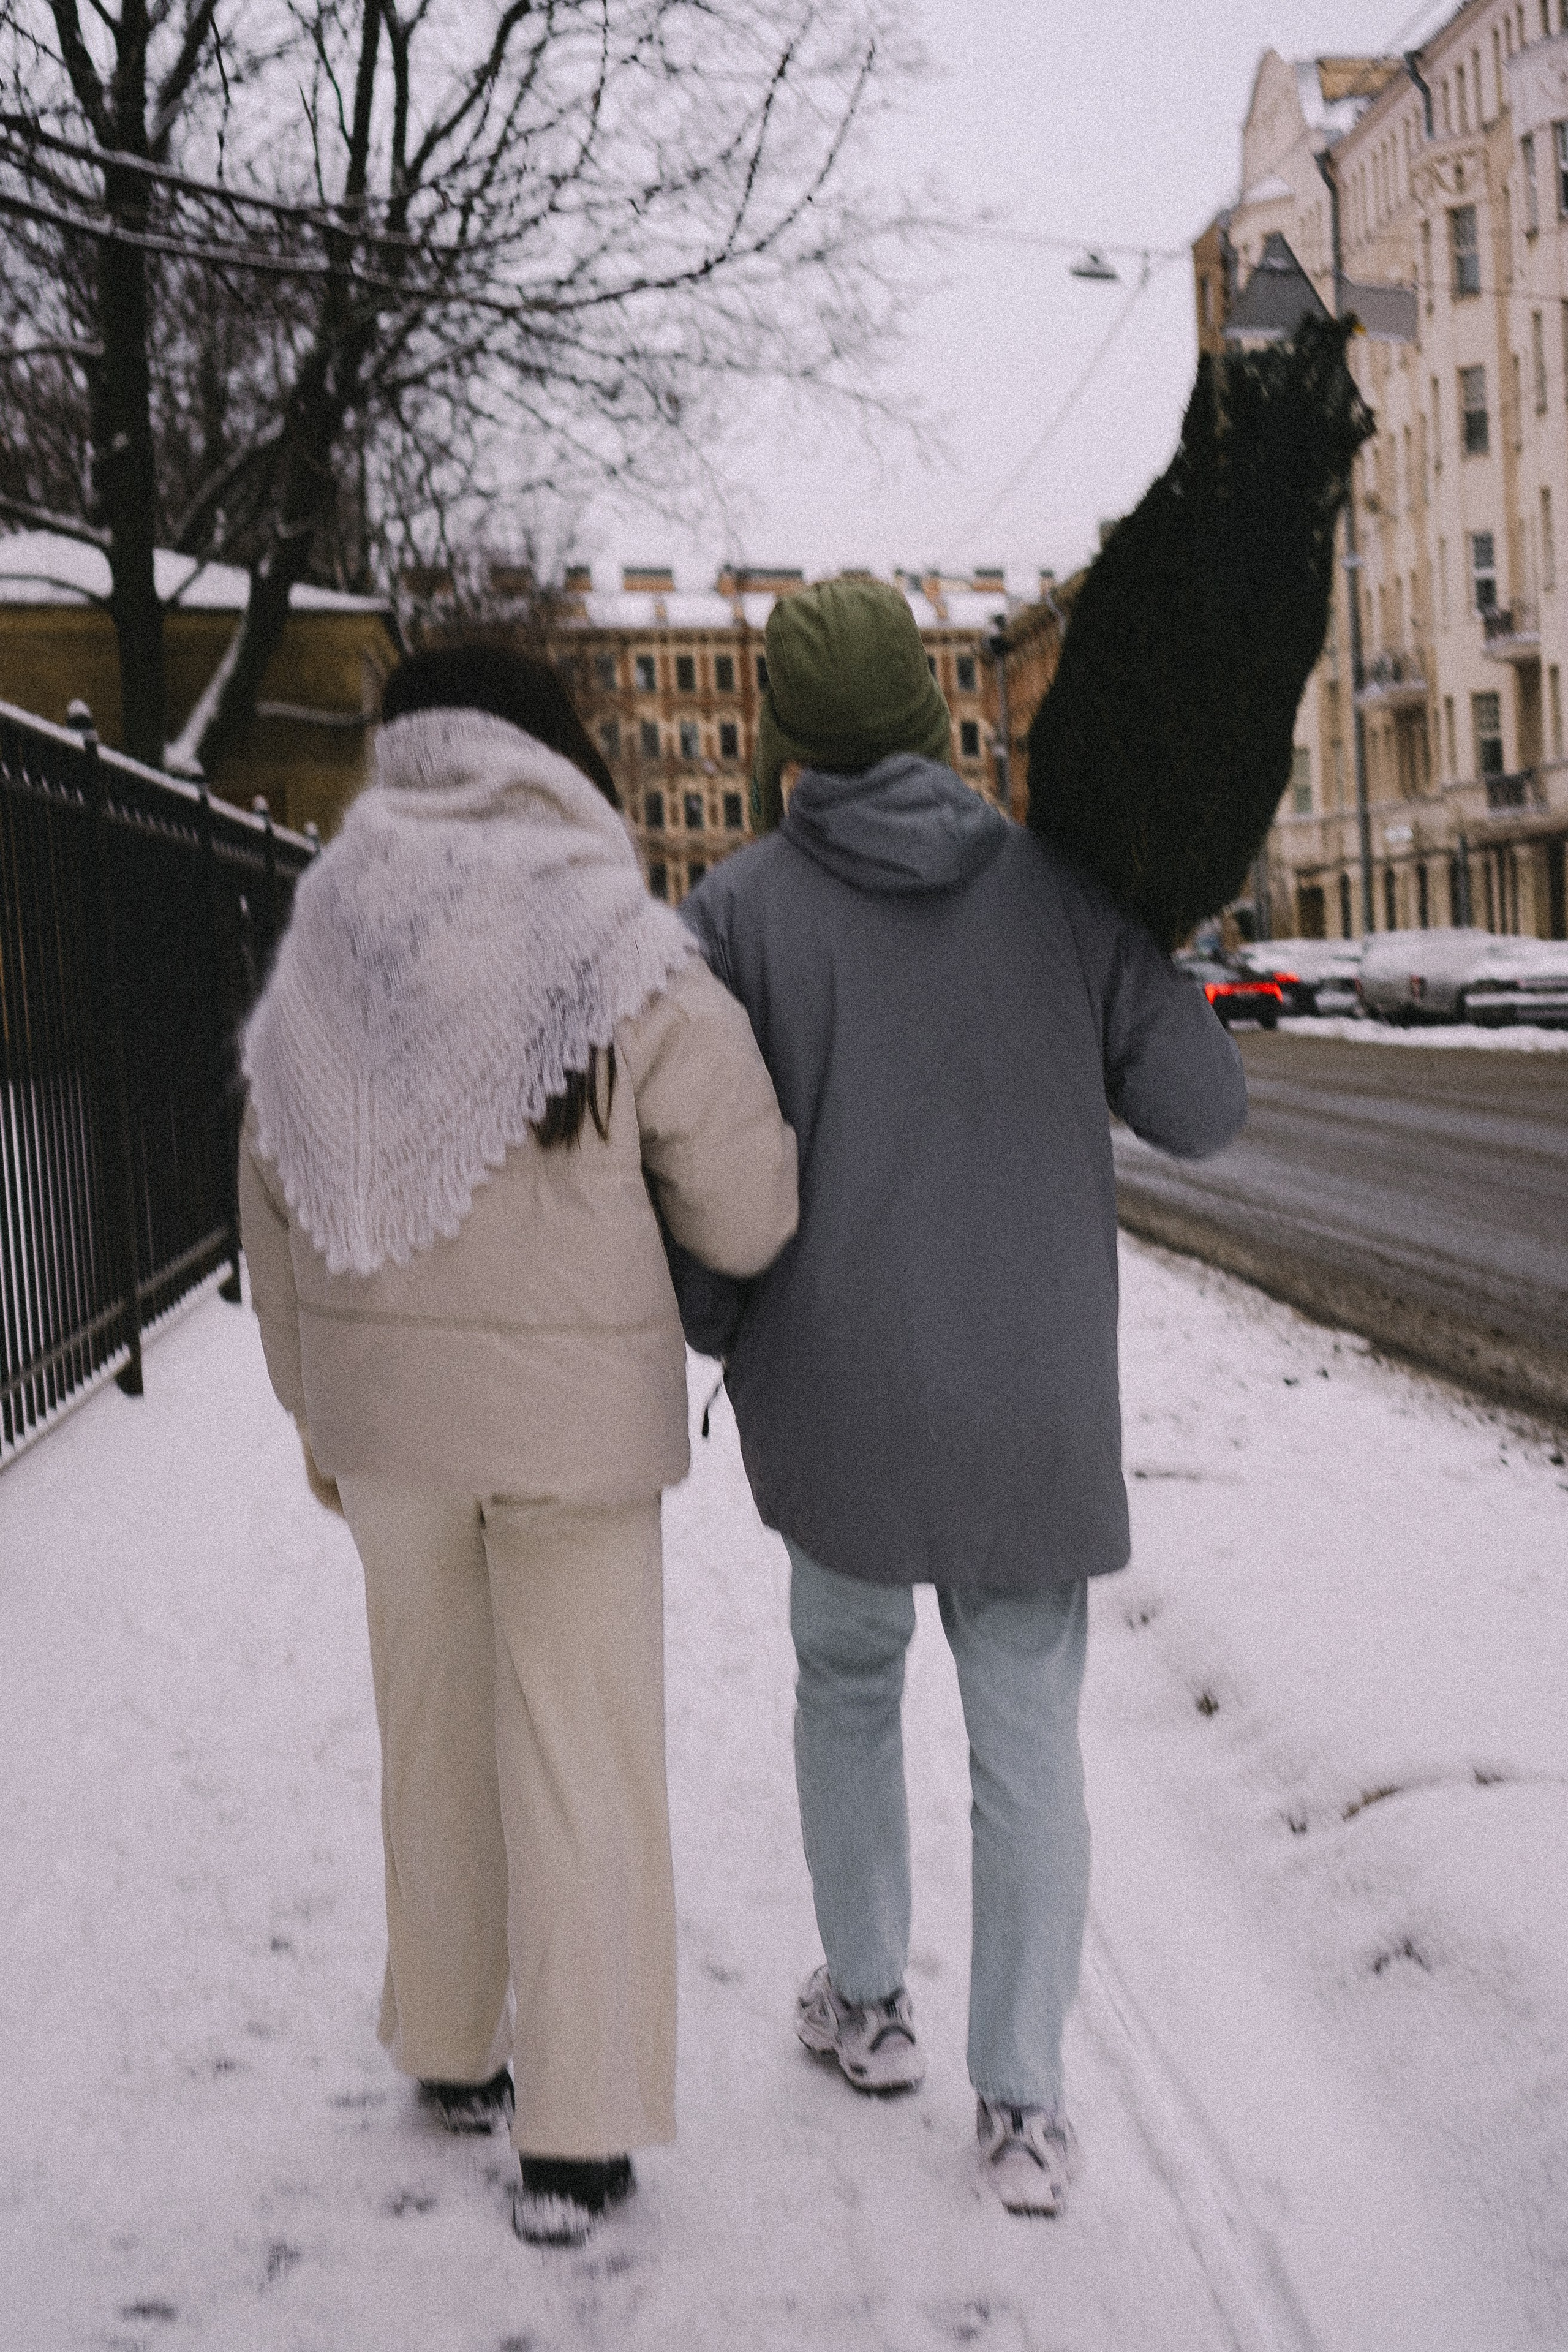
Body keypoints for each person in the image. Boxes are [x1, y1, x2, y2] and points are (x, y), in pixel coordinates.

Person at [673, 579, 1247, 2217]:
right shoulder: (1068, 891)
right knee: (1028, 1745)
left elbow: (710, 1178)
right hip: (1031, 1417)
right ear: (936, 720)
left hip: (838, 1405)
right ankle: (1023, 2108)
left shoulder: (736, 911)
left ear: (783, 730)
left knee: (845, 1688)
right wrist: (1149, 939)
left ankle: (864, 2002)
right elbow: (1206, 1111)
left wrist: (724, 1328)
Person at [238, 644, 797, 2247]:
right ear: (554, 755)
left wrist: (313, 1407)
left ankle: (444, 2043)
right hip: (574, 1437)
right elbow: (750, 1212)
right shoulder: (625, 946)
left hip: (392, 1428)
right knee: (581, 1759)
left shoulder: (332, 937)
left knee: (433, 1736)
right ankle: (577, 2134)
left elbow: (270, 1196)